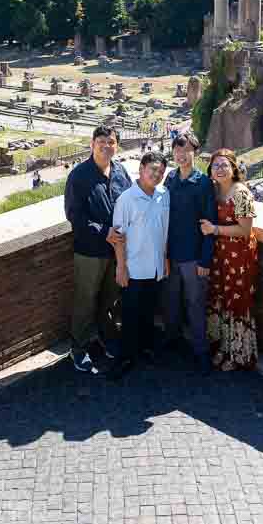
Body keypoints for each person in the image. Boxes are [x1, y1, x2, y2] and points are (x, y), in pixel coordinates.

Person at [64, 126, 133, 374]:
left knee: (110, 298)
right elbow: (74, 215)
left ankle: (106, 338)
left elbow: (129, 203)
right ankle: (79, 348)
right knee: (85, 299)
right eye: (102, 141)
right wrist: (104, 231)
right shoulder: (79, 176)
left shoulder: (120, 171)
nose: (106, 146)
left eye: (111, 142)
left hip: (116, 250)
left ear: (117, 146)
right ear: (92, 144)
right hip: (90, 251)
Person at [109, 151, 170, 379]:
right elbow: (118, 237)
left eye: (161, 172)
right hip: (133, 269)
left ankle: (145, 349)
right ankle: (124, 358)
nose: (157, 175)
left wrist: (164, 259)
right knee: (129, 316)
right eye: (153, 169)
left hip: (155, 267)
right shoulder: (126, 199)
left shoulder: (164, 194)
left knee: (148, 313)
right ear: (142, 168)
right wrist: (121, 267)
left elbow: (163, 230)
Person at [162, 131, 217, 374]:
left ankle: (200, 350)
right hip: (171, 254)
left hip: (194, 255)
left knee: (195, 304)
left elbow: (210, 223)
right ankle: (172, 340)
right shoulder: (170, 179)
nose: (181, 155)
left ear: (195, 152)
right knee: (171, 301)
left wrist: (206, 258)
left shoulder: (203, 183)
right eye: (177, 150)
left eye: (186, 150)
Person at [200, 149, 259, 371]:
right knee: (221, 297)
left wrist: (214, 229)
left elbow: (245, 229)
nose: (220, 169)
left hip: (240, 254)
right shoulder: (214, 190)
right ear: (210, 171)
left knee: (236, 300)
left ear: (233, 168)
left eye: (224, 165)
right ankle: (223, 348)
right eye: (216, 166)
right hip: (221, 253)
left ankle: (239, 354)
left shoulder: (241, 193)